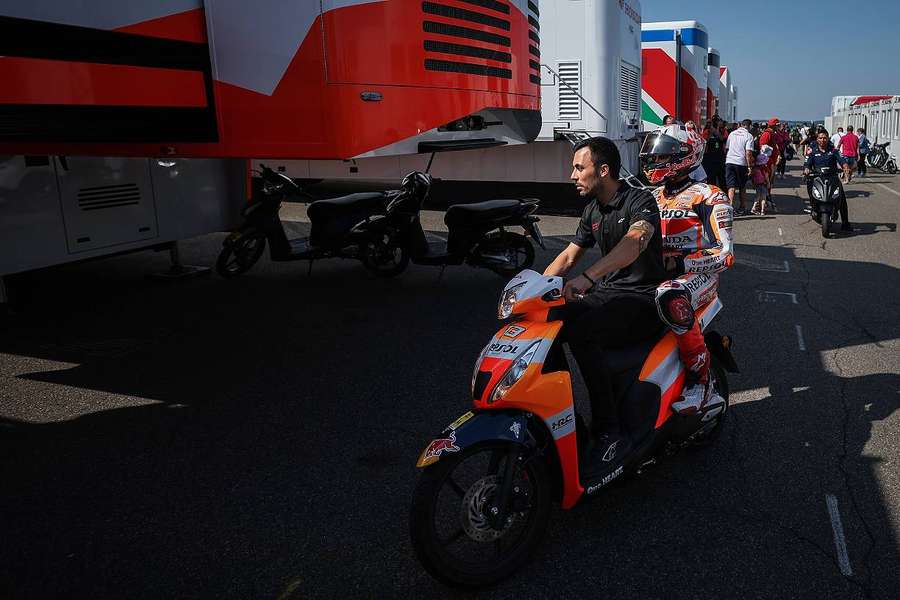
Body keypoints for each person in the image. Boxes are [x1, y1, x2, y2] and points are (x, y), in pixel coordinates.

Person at [543, 137, 669, 463]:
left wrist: (588, 277)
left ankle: (608, 430)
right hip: (608, 295)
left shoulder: (639, 201)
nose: (572, 175)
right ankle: (560, 418)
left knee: (583, 332)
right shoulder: (592, 211)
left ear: (603, 170)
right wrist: (531, 291)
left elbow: (634, 242)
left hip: (642, 299)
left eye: (578, 168)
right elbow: (569, 257)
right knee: (547, 321)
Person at [640, 124, 731, 413]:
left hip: (697, 276)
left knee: (670, 295)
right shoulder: (651, 197)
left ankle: (701, 382)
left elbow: (726, 254)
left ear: (684, 156)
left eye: (661, 155)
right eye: (652, 155)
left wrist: (682, 263)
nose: (653, 161)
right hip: (657, 271)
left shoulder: (709, 195)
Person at [804, 129, 851, 231]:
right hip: (817, 178)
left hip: (832, 177)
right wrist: (806, 169)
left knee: (842, 199)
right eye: (820, 138)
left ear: (828, 138)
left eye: (825, 138)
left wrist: (845, 167)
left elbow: (842, 160)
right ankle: (814, 208)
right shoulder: (812, 151)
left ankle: (845, 223)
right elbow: (807, 163)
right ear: (817, 139)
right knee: (810, 190)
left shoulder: (833, 150)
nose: (822, 140)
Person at [723, 119, 756, 215]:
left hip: (730, 161)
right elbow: (748, 152)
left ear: (741, 125)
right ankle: (742, 207)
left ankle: (729, 207)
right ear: (749, 126)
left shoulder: (732, 134)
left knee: (731, 186)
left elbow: (727, 148)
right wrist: (750, 167)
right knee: (742, 186)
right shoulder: (749, 136)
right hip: (741, 163)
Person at [702, 116, 727, 189]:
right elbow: (705, 140)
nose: (715, 122)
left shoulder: (724, 130)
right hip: (709, 158)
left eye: (717, 121)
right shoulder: (707, 131)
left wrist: (716, 130)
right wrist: (710, 132)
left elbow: (722, 138)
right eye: (713, 121)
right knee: (711, 179)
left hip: (720, 158)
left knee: (722, 179)